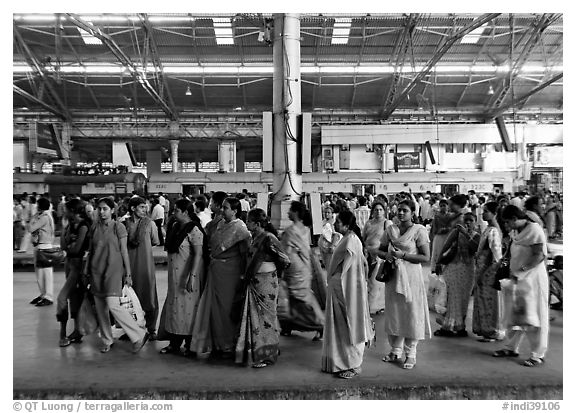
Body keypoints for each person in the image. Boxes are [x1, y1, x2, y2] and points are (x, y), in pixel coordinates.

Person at [372, 199, 431, 370]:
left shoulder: (419, 231)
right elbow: (381, 250)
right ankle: (395, 350)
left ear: (413, 212)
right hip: (394, 275)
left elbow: (425, 257)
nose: (400, 213)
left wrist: (403, 256)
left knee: (411, 312)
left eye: (405, 210)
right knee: (395, 312)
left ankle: (411, 353)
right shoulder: (390, 229)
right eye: (398, 210)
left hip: (411, 277)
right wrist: (387, 255)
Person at [86, 197, 149, 353]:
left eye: (105, 209)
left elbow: (124, 251)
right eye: (99, 208)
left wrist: (128, 273)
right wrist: (85, 270)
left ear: (112, 210)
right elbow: (91, 251)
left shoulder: (118, 227)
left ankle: (139, 334)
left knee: (113, 305)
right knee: (101, 309)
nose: (101, 212)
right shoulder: (94, 228)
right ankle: (107, 340)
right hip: (96, 271)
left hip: (113, 272)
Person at [191, 197, 251, 357]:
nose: (222, 210)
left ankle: (228, 345)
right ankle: (216, 344)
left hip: (230, 274)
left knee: (226, 310)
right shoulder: (220, 224)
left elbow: (245, 253)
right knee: (213, 309)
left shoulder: (240, 228)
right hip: (215, 271)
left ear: (235, 210)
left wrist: (243, 275)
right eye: (222, 207)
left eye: (225, 208)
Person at [492, 205, 549, 367]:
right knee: (514, 314)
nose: (507, 226)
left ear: (515, 219)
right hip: (516, 278)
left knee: (534, 317)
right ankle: (511, 347)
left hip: (533, 280)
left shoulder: (534, 230)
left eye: (508, 222)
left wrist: (522, 270)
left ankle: (537, 354)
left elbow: (539, 256)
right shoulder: (516, 232)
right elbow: (510, 251)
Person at [321, 210, 374, 379]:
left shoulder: (351, 240)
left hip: (347, 290)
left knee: (349, 325)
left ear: (346, 224)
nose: (335, 225)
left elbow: (351, 269)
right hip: (340, 288)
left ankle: (353, 364)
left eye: (338, 222)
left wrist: (342, 283)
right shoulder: (348, 239)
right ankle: (337, 362)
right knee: (339, 326)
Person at [235, 209, 289, 368]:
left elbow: (285, 260)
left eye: (249, 221)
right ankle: (260, 351)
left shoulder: (269, 238)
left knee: (267, 318)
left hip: (266, 284)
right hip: (255, 282)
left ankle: (268, 354)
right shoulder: (255, 238)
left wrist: (275, 273)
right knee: (256, 317)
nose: (247, 224)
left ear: (257, 224)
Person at [158, 199, 206, 356]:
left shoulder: (194, 230)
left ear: (185, 212)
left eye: (177, 210)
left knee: (189, 311)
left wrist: (192, 276)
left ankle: (191, 345)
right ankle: (174, 343)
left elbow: (199, 254)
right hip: (175, 277)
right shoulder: (175, 227)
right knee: (175, 310)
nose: (174, 213)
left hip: (188, 277)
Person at [279, 201, 325, 340]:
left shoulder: (290, 231)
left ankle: (318, 324)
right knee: (296, 298)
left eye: (290, 210)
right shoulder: (305, 230)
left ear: (296, 213)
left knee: (297, 298)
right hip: (303, 267)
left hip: (294, 269)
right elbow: (306, 251)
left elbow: (285, 251)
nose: (288, 213)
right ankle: (288, 326)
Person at [435, 209, 480, 337]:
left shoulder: (477, 236)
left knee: (463, 298)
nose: (468, 223)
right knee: (451, 296)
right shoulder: (456, 232)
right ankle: (448, 326)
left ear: (475, 223)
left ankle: (460, 327)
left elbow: (475, 249)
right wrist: (438, 262)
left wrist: (466, 234)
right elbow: (446, 246)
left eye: (471, 221)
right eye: (466, 220)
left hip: (468, 270)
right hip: (453, 267)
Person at [56, 199, 91, 347]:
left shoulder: (84, 226)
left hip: (79, 266)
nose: (64, 212)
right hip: (69, 265)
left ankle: (63, 334)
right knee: (74, 297)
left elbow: (76, 250)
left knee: (62, 298)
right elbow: (63, 245)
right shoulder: (70, 225)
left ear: (74, 211)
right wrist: (65, 232)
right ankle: (77, 331)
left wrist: (68, 248)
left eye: (67, 209)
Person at [123, 196, 160, 340]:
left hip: (145, 266)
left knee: (148, 296)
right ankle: (132, 331)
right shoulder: (123, 224)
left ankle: (151, 329)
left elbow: (155, 241)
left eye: (146, 207)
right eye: (142, 207)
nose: (145, 210)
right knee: (130, 299)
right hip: (129, 267)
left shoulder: (149, 224)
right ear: (133, 208)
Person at [472, 202, 505, 342]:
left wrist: (483, 273)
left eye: (486, 211)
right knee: (483, 300)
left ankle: (491, 330)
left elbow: (496, 256)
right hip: (483, 270)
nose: (482, 214)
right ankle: (486, 330)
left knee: (488, 302)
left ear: (494, 213)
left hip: (488, 272)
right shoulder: (489, 228)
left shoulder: (493, 231)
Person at [362, 201, 391, 315]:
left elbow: (391, 240)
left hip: (380, 257)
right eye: (376, 210)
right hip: (367, 256)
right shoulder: (369, 223)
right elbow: (364, 238)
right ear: (372, 212)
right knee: (368, 282)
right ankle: (368, 306)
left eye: (380, 210)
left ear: (384, 211)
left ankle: (374, 307)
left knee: (376, 282)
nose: (378, 212)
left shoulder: (387, 223)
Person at [28, 197, 56, 307]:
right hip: (40, 246)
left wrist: (33, 217)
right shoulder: (43, 216)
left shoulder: (44, 217)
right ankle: (43, 294)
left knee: (46, 273)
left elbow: (30, 228)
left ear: (40, 206)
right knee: (40, 273)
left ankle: (48, 296)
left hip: (44, 246)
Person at [429, 199, 451, 274]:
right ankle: (435, 269)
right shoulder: (437, 216)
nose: (442, 207)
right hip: (438, 237)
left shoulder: (450, 216)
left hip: (448, 237)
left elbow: (452, 227)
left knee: (446, 253)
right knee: (436, 253)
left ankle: (445, 270)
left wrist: (447, 229)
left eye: (444, 206)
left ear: (448, 206)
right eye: (441, 206)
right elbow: (434, 228)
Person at [318, 206, 342, 271]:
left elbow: (336, 235)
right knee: (327, 266)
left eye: (328, 212)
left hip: (330, 248)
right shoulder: (323, 222)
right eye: (325, 212)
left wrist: (331, 246)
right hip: (324, 248)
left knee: (330, 267)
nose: (326, 214)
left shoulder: (333, 222)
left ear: (332, 213)